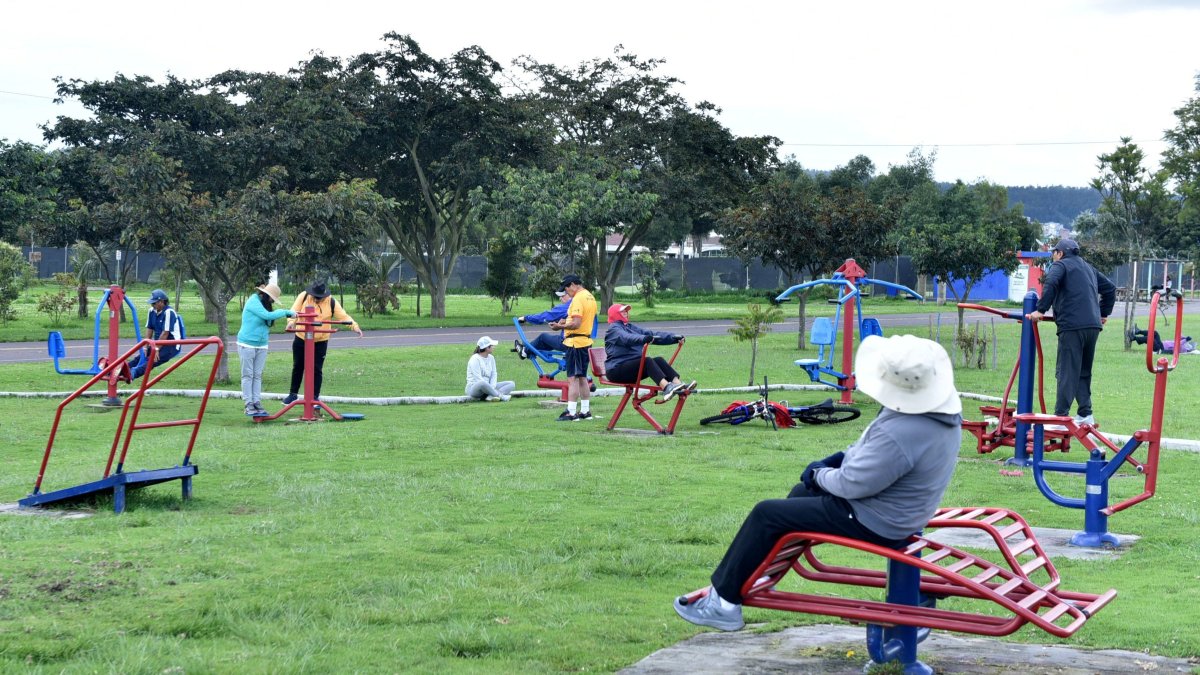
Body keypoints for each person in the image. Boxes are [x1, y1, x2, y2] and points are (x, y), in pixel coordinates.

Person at [673, 334, 963, 632]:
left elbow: (854, 483)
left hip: (878, 519)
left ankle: (722, 603)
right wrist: (836, 459)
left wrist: (818, 474)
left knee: (767, 514)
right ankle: (757, 570)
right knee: (801, 494)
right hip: (904, 509)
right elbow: (872, 453)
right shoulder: (937, 412)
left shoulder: (902, 431)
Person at [1027, 239, 1117, 427]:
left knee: (1066, 370)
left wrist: (1040, 310)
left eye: (1054, 253)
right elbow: (1110, 288)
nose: (1052, 256)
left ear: (1060, 253)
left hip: (1072, 326)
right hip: (1092, 326)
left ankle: (1061, 417)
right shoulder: (1088, 268)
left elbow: (1051, 281)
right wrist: (1103, 313)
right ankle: (1085, 414)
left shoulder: (1060, 265)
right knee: (1083, 371)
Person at [282, 281, 363, 405]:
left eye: (320, 297)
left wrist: (354, 326)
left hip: (321, 340)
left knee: (317, 368)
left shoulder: (331, 301)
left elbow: (343, 316)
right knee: (298, 366)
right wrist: (291, 321)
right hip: (302, 337)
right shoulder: (303, 296)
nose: (317, 299)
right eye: (315, 297)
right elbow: (293, 311)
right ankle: (293, 395)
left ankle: (314, 397)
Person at [603, 303, 696, 400]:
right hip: (616, 370)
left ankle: (679, 385)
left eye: (626, 310)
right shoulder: (613, 329)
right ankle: (667, 388)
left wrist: (673, 338)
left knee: (658, 360)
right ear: (615, 314)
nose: (626, 312)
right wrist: (644, 338)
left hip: (630, 368)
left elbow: (651, 334)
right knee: (647, 361)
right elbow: (627, 338)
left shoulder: (629, 327)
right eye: (622, 311)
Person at [236, 283, 296, 416]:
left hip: (262, 344)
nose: (272, 301)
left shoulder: (265, 304)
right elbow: (267, 316)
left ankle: (256, 402)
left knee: (257, 375)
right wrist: (286, 312)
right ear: (265, 295)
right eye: (271, 299)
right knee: (247, 375)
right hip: (247, 344)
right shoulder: (253, 301)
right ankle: (248, 404)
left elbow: (268, 321)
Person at [549, 274, 597, 422]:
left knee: (573, 378)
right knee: (582, 377)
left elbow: (576, 323)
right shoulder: (590, 296)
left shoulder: (577, 298)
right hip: (585, 341)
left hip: (575, 343)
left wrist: (560, 326)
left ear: (572, 285)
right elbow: (581, 320)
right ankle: (585, 411)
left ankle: (571, 412)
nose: (566, 292)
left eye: (566, 289)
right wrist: (566, 320)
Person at [129, 289, 183, 379]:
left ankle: (133, 374)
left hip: (171, 344)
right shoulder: (151, 311)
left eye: (154, 303)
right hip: (157, 343)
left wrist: (156, 349)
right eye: (152, 303)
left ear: (162, 302)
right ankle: (122, 369)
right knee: (140, 357)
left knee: (152, 360)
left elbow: (165, 333)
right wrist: (145, 346)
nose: (152, 305)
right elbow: (149, 329)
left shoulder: (169, 312)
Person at [514, 287, 570, 358]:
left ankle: (524, 351)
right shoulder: (580, 303)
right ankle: (532, 350)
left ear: (569, 294)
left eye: (562, 296)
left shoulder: (567, 307)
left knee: (543, 337)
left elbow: (545, 316)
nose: (560, 298)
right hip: (582, 344)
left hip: (568, 343)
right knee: (548, 341)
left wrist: (526, 318)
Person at [466, 336, 515, 401]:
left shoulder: (491, 358)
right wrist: (490, 388)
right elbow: (478, 378)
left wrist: (492, 387)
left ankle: (490, 396)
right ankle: (500, 396)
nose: (494, 347)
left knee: (511, 384)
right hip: (475, 388)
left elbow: (494, 374)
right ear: (486, 348)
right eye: (492, 346)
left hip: (488, 386)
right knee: (482, 383)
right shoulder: (475, 359)